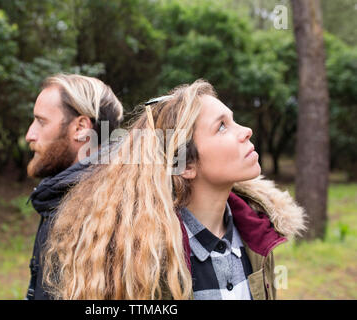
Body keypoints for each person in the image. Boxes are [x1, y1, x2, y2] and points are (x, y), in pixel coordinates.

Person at [42, 79, 306, 300]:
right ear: (186, 164)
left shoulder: (257, 233)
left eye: (233, 120)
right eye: (222, 126)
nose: (246, 131)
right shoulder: (147, 262)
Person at [24, 73, 123, 300]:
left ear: (80, 128)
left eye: (41, 121)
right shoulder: (58, 195)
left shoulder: (109, 214)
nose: (30, 135)